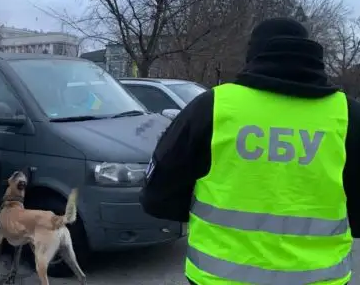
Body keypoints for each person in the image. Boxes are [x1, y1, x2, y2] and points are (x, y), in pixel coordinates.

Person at [140, 17, 360, 285]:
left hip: (219, 277)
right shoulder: (348, 115)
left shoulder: (212, 107)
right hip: (320, 279)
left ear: (253, 55)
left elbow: (157, 196)